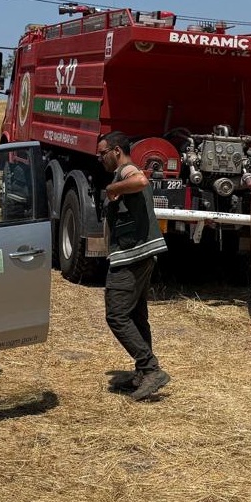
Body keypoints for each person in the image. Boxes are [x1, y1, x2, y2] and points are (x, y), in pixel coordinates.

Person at [98, 131, 171, 400]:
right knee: (137, 315)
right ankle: (143, 372)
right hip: (142, 253)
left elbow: (140, 180)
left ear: (117, 151)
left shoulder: (126, 170)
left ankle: (151, 369)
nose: (100, 158)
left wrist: (113, 188)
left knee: (116, 314)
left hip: (131, 254)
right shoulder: (124, 171)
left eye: (102, 153)